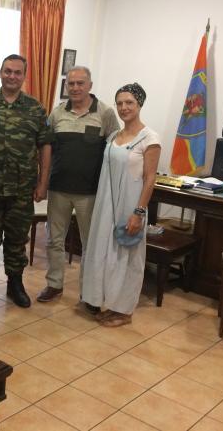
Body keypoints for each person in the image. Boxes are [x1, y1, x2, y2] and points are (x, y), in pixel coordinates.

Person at [0, 54, 52, 308]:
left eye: (17, 72)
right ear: (0, 72)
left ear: (24, 76)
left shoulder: (35, 108)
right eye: (8, 71)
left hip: (21, 188)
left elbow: (45, 146)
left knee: (17, 239)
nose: (12, 76)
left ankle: (15, 283)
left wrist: (43, 182)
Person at [81, 83, 161, 327]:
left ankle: (124, 311)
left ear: (139, 104)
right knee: (104, 254)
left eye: (129, 103)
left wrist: (139, 212)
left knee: (127, 258)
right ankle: (106, 301)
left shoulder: (150, 139)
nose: (124, 107)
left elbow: (150, 178)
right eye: (119, 103)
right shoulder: (114, 136)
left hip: (130, 206)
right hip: (106, 205)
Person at [37, 67, 119, 303]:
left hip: (90, 193)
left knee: (90, 244)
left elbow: (116, 148)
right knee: (54, 240)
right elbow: (47, 149)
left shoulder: (105, 113)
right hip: (59, 189)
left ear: (90, 85)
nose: (75, 88)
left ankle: (89, 293)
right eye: (71, 83)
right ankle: (54, 284)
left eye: (80, 83)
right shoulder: (57, 113)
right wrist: (43, 182)